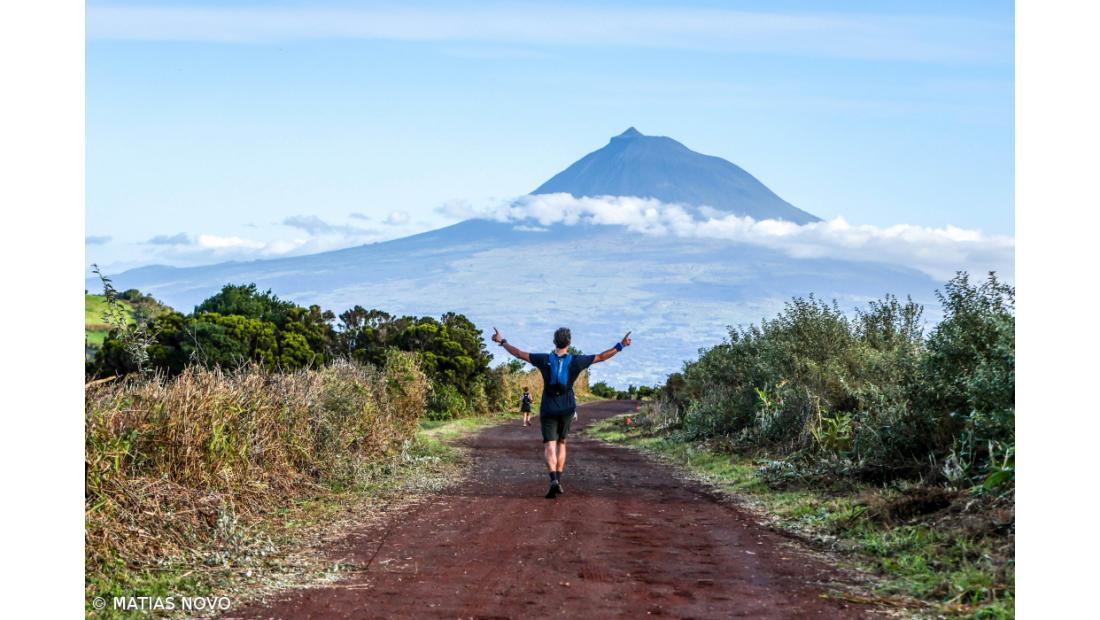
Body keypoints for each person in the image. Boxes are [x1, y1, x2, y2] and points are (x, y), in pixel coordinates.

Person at [491, 326, 632, 498]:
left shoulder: (544, 359)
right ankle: (559, 479)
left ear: (554, 341)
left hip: (548, 407)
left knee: (550, 445)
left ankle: (553, 480)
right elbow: (602, 357)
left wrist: (502, 341)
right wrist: (621, 345)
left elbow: (519, 354)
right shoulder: (576, 361)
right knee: (562, 443)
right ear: (569, 343)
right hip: (567, 407)